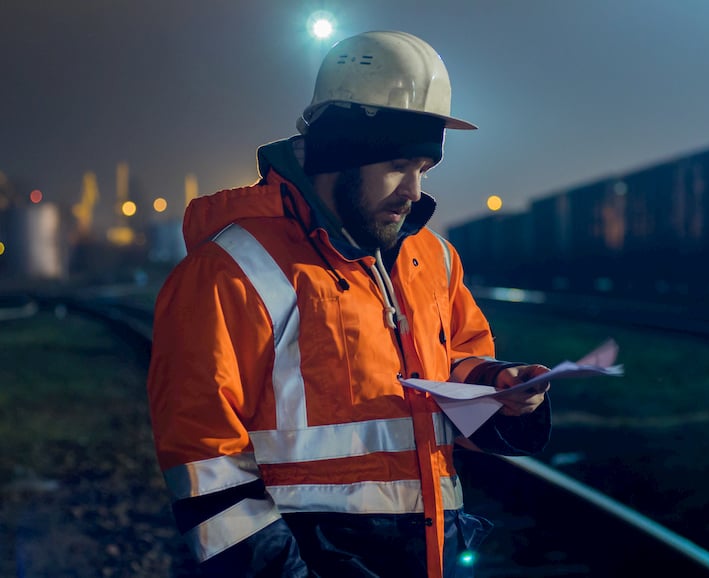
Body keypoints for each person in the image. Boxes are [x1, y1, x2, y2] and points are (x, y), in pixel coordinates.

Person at [147, 30, 551, 578]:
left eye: (424, 169)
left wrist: (500, 387)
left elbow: (449, 369)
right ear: (341, 153)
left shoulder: (432, 259)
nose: (413, 190)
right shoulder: (230, 272)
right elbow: (205, 466)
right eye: (397, 166)